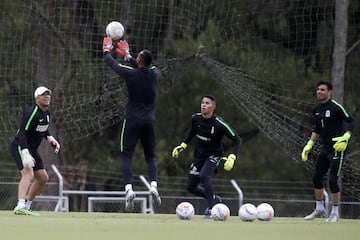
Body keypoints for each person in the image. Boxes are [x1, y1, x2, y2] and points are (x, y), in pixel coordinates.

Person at [102, 37, 161, 212]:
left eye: (138, 56)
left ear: (140, 60)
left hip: (132, 119)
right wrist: (128, 56)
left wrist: (106, 50)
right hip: (149, 121)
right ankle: (154, 186)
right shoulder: (155, 73)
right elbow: (141, 67)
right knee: (150, 155)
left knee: (126, 155)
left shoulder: (131, 74)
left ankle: (129, 189)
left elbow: (113, 64)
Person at [171, 94, 242, 218]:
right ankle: (214, 198)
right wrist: (183, 145)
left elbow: (238, 140)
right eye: (202, 102)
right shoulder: (195, 118)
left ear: (213, 107)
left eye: (207, 103)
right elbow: (192, 131)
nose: (203, 105)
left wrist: (232, 157)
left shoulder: (219, 124)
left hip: (214, 155)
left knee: (204, 176)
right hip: (199, 156)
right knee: (191, 187)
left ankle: (211, 209)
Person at [301, 80, 356, 222]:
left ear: (329, 92)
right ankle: (319, 208)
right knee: (316, 178)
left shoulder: (336, 107)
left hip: (338, 148)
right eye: (318, 89)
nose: (319, 92)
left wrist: (346, 137)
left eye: (323, 90)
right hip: (325, 149)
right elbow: (317, 128)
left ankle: (335, 213)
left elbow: (352, 121)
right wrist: (310, 144)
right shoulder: (316, 109)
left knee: (332, 180)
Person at [10, 86, 61, 216]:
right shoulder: (32, 112)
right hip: (20, 146)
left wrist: (51, 140)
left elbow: (43, 129)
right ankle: (20, 206)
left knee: (43, 178)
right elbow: (22, 133)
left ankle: (27, 205)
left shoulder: (46, 114)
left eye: (48, 94)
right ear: (37, 98)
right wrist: (25, 153)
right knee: (28, 174)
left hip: (31, 148)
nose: (47, 96)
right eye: (43, 95)